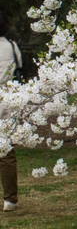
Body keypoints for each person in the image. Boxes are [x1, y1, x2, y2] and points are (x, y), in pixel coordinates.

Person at [0, 12, 22, 212]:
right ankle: (10, 200)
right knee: (6, 153)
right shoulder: (12, 47)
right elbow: (18, 70)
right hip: (5, 102)